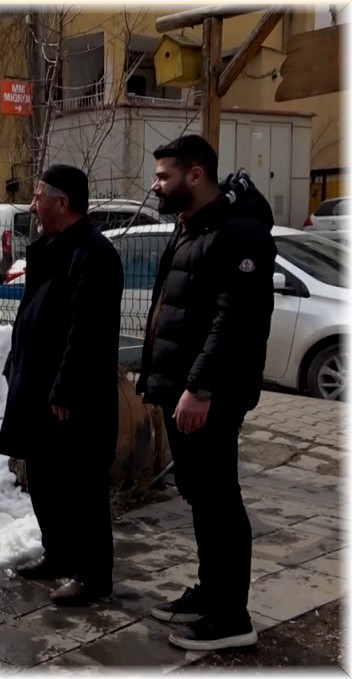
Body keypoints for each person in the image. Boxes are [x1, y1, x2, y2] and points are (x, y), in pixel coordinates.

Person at [138, 135, 276, 651]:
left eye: (164, 176)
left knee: (219, 501)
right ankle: (211, 593)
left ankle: (232, 618)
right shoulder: (192, 226)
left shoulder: (240, 234)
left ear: (195, 176)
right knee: (201, 496)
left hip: (209, 394)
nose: (156, 185)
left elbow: (235, 321)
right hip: (182, 390)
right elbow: (173, 309)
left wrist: (200, 386)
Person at [0, 164, 123, 607]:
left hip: (72, 397)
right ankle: (59, 554)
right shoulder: (51, 249)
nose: (32, 206)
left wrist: (67, 388)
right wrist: (15, 364)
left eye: (38, 197)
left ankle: (93, 576)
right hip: (38, 387)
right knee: (45, 478)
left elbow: (86, 330)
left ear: (62, 202)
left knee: (81, 486)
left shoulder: (93, 254)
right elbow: (35, 315)